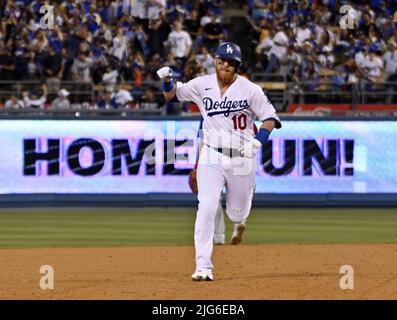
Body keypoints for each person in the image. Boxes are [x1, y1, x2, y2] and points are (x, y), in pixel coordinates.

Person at [157, 42, 281, 281]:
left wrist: (258, 141)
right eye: (222, 61)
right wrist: (167, 79)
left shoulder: (250, 89)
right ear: (215, 61)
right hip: (211, 154)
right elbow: (171, 95)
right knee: (206, 206)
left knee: (236, 214)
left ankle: (247, 196)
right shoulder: (202, 84)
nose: (225, 66)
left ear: (237, 66)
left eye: (231, 63)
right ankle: (203, 266)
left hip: (242, 157)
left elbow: (270, 118)